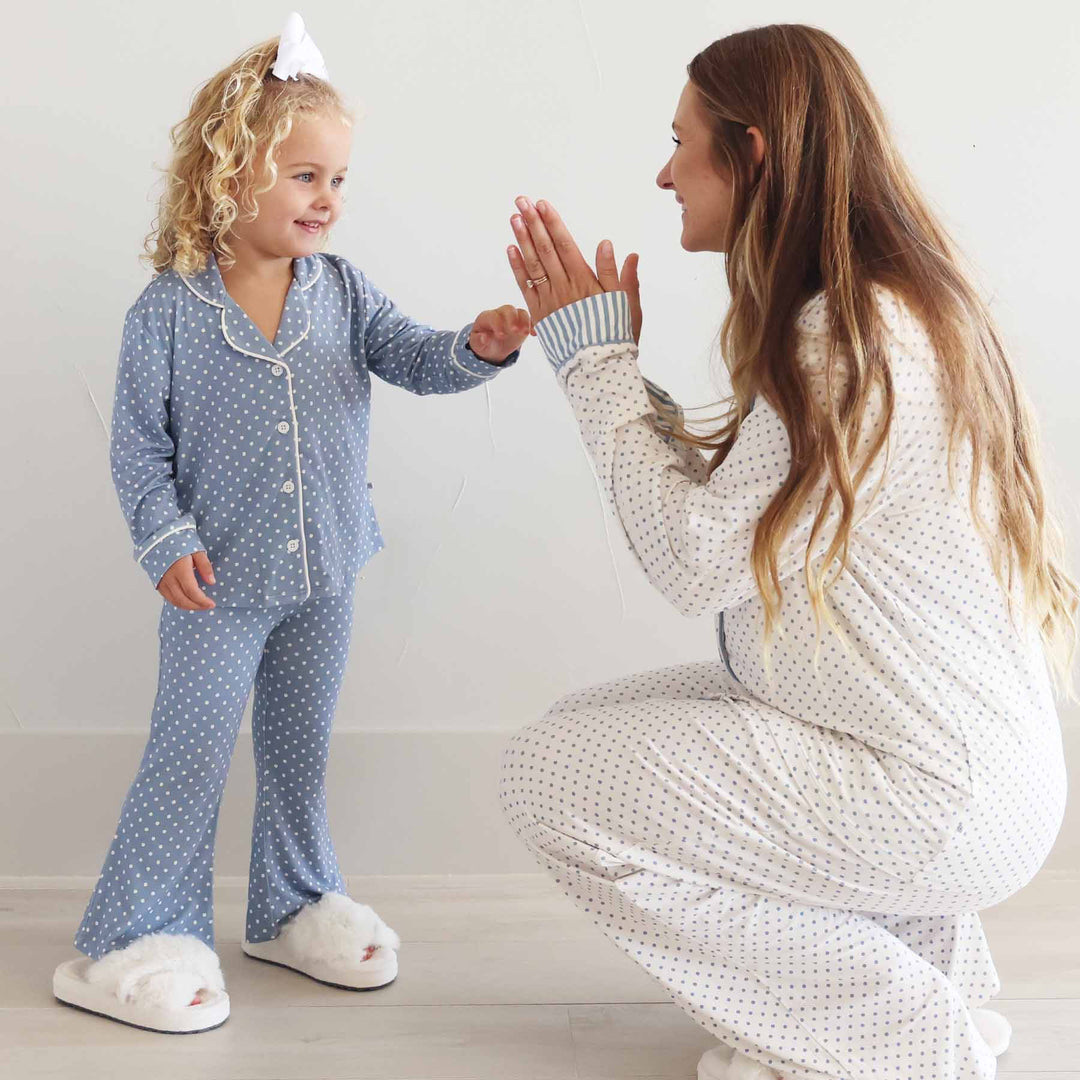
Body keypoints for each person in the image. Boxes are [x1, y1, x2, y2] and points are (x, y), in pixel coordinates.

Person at [499, 23, 1075, 1080]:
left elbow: (693, 563)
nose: (664, 171)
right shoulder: (889, 312)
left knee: (546, 779)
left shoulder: (844, 340)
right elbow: (755, 507)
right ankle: (914, 973)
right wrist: (610, 370)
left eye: (683, 143)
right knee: (580, 736)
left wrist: (598, 370)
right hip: (960, 771)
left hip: (935, 793)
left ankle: (902, 1038)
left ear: (753, 155)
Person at [52, 13, 528, 1034]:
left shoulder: (346, 293)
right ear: (229, 175)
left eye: (340, 179)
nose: (329, 199)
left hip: (328, 574)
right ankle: (133, 931)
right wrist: (165, 538)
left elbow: (414, 357)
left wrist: (478, 348)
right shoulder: (168, 312)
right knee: (189, 752)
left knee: (300, 748)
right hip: (215, 584)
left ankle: (292, 903)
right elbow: (137, 447)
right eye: (306, 176)